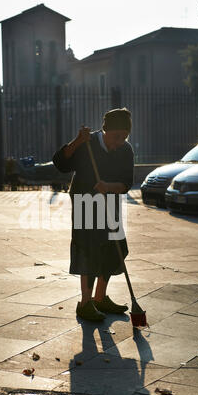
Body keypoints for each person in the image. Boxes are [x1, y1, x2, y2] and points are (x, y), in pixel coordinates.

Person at [52, 108, 134, 321]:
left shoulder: (126, 150)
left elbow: (126, 183)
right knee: (88, 249)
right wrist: (78, 141)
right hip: (85, 201)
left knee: (115, 248)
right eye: (117, 136)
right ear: (106, 130)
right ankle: (85, 303)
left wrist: (109, 186)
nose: (119, 142)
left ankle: (100, 298)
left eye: (124, 137)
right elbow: (60, 163)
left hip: (110, 201)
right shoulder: (87, 144)